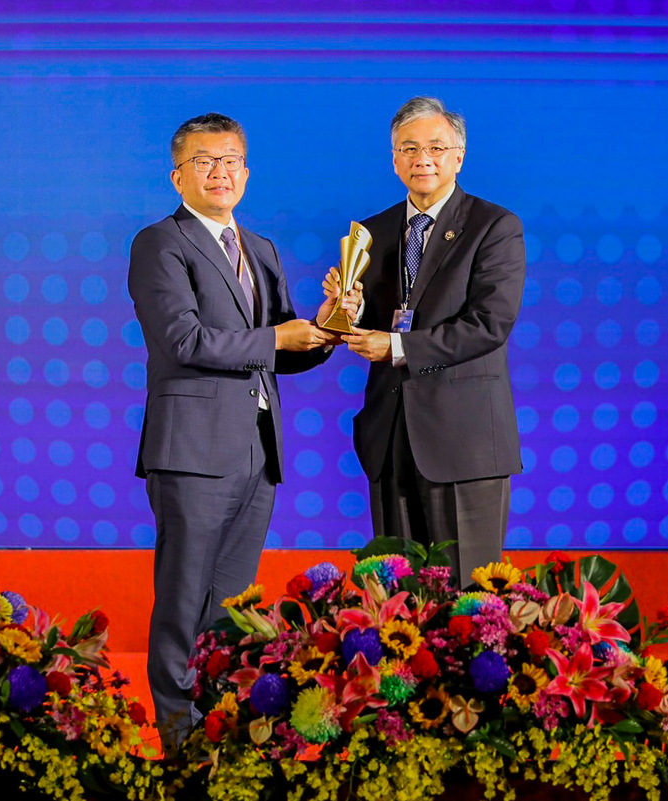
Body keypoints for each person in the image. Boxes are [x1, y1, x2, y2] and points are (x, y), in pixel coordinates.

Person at [128, 112, 357, 748]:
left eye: (231, 160)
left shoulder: (259, 249)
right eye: (205, 161)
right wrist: (276, 337)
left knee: (229, 608)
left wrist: (332, 325)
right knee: (183, 603)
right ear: (178, 175)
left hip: (257, 453)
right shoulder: (160, 242)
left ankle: (221, 735)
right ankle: (178, 742)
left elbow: (284, 348)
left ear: (247, 173)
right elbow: (183, 340)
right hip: (193, 452)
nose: (220, 172)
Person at [343, 96, 527, 585]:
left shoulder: (493, 227)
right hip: (391, 435)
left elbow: (490, 323)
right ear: (394, 158)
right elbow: (369, 319)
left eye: (436, 147)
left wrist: (397, 348)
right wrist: (347, 309)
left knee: (470, 600)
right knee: (396, 597)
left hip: (463, 440)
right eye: (409, 148)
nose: (423, 158)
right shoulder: (372, 231)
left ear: (459, 156)